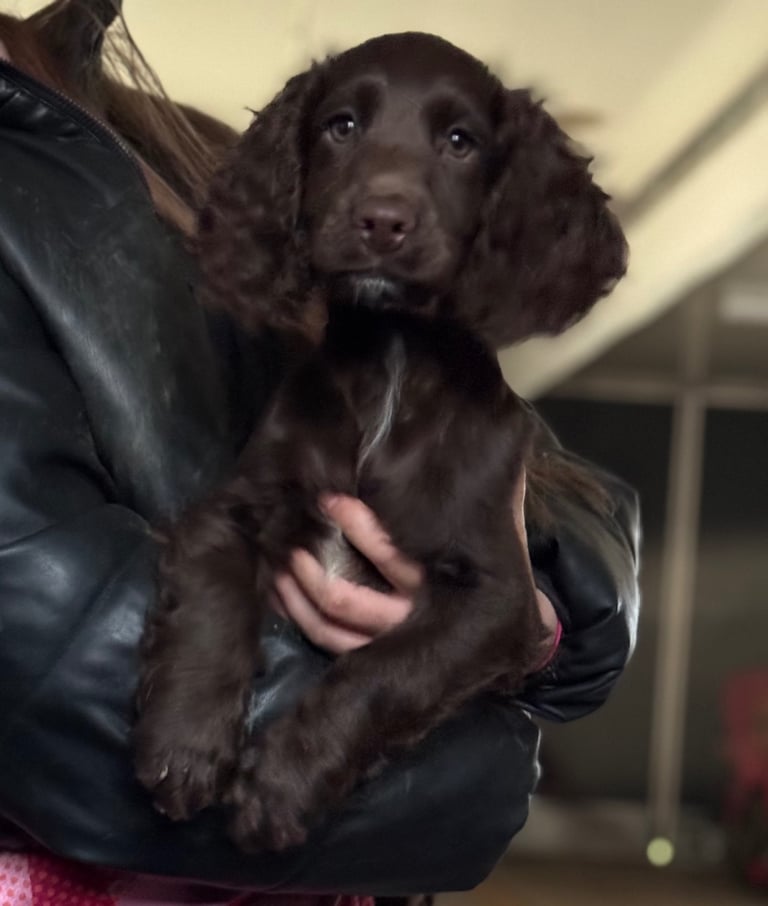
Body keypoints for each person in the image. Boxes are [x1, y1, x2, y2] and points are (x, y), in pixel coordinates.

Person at [0, 1, 641, 904]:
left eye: (457, 143)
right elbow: (55, 678)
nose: (387, 197)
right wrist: (489, 761)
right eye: (345, 128)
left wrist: (529, 623)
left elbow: (575, 506)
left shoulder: (171, 142)